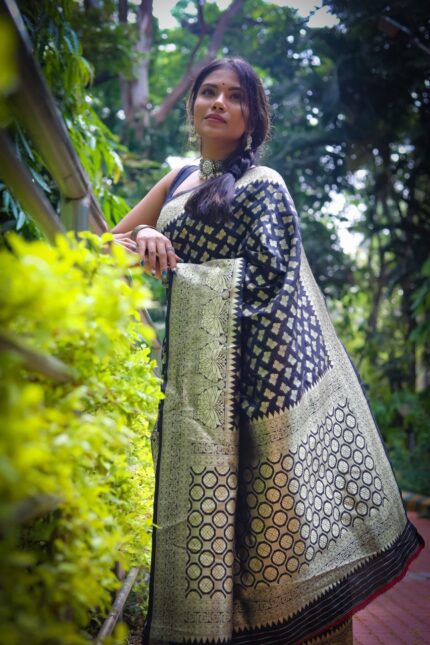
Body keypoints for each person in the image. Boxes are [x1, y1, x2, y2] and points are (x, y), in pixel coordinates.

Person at [112, 57, 424, 645]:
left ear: (253, 117)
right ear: (192, 106)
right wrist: (146, 234)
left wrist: (178, 269)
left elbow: (271, 283)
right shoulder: (176, 181)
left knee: (278, 537)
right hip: (198, 392)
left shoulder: (264, 184)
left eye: (235, 96)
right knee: (210, 536)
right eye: (208, 91)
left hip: (263, 391)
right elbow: (107, 246)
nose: (218, 103)